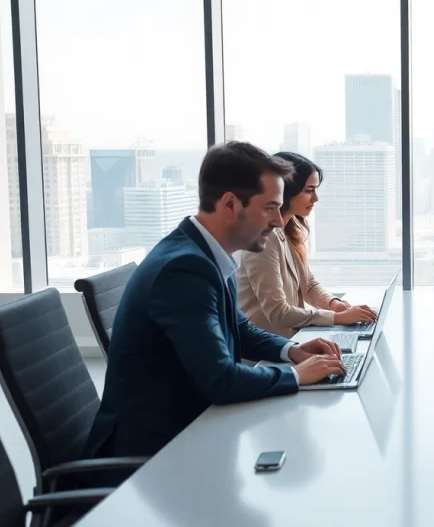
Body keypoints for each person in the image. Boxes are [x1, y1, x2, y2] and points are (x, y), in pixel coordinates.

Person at [83, 141, 349, 471]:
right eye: (269, 208)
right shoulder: (183, 269)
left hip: (189, 430)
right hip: (152, 456)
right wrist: (295, 376)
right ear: (230, 204)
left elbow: (239, 327)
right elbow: (220, 380)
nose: (279, 222)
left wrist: (291, 351)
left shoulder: (204, 254)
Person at [236, 151, 377, 337]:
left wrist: (335, 304)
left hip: (290, 342)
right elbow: (278, 313)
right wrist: (337, 318)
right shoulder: (263, 237)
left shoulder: (291, 227)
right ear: (285, 190)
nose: (315, 198)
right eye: (309, 190)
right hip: (263, 354)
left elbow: (308, 284)